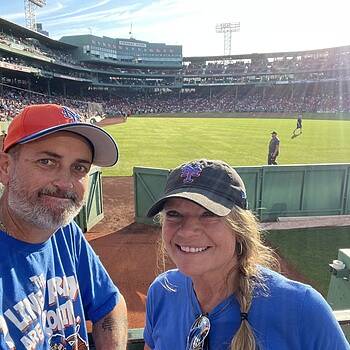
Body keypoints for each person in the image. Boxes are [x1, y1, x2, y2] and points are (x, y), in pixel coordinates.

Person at [143, 159, 349, 350]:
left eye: (209, 214)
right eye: (173, 214)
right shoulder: (161, 293)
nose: (187, 230)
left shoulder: (303, 309)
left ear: (239, 229)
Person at [0, 104, 128, 349]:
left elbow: (111, 304)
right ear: (5, 167)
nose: (65, 183)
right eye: (47, 161)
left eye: (79, 168)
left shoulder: (63, 232)